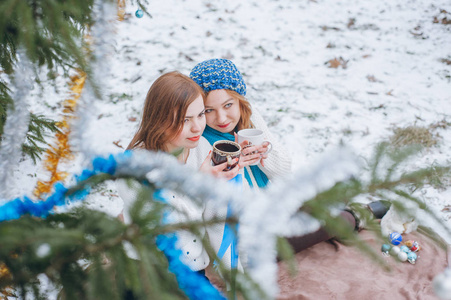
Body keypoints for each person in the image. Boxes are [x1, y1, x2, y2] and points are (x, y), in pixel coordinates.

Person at [116, 71, 242, 273]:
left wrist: (233, 275)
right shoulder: (133, 167)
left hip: (193, 266)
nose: (197, 128)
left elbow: (216, 218)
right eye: (185, 120)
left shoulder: (202, 147)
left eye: (201, 115)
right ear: (159, 120)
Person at [190, 58, 291, 190]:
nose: (221, 119)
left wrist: (263, 154)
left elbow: (284, 171)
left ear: (240, 100)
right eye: (209, 110)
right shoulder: (200, 141)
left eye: (228, 105)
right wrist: (233, 166)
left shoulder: (250, 117)